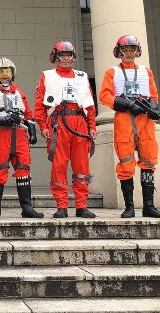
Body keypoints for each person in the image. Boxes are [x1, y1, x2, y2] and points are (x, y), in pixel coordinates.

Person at [98, 35, 160, 218]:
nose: (129, 53)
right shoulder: (111, 72)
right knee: (126, 162)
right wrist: (127, 104)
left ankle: (149, 205)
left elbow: (153, 94)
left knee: (149, 161)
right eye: (125, 50)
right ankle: (129, 207)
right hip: (124, 119)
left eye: (131, 50)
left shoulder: (147, 71)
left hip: (145, 120)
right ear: (119, 52)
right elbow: (105, 96)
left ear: (137, 51)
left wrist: (152, 109)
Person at [33, 41, 97, 219]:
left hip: (79, 122)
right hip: (57, 123)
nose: (66, 58)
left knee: (82, 167)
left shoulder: (82, 76)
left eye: (69, 55)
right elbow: (40, 105)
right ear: (55, 57)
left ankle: (81, 206)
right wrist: (43, 125)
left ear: (73, 57)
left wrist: (92, 126)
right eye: (63, 55)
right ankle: (62, 206)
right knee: (59, 165)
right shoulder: (47, 76)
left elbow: (90, 105)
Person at [0, 57, 43, 219]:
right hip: (0, 135)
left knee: (23, 171)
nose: (6, 75)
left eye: (8, 72)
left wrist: (32, 132)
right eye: (2, 72)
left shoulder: (19, 92)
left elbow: (28, 115)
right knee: (0, 171)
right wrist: (2, 119)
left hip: (20, 135)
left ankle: (27, 208)